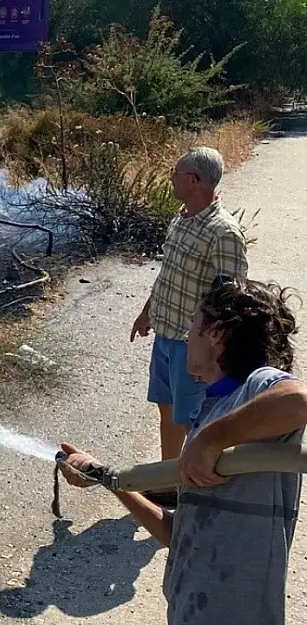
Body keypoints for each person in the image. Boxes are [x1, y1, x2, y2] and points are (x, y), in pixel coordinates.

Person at [61, 279, 307, 625]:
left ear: (216, 335)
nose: (187, 336)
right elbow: (180, 535)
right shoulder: (213, 408)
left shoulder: (255, 388)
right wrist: (104, 476)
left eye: (193, 325)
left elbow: (299, 401)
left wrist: (209, 440)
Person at [131, 147, 249, 479]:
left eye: (176, 172)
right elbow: (168, 275)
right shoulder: (182, 218)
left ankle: (206, 488)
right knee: (167, 412)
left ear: (194, 181)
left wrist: (209, 346)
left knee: (195, 422)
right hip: (164, 335)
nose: (171, 177)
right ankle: (170, 481)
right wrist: (146, 314)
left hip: (191, 347)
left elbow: (232, 297)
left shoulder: (222, 232)